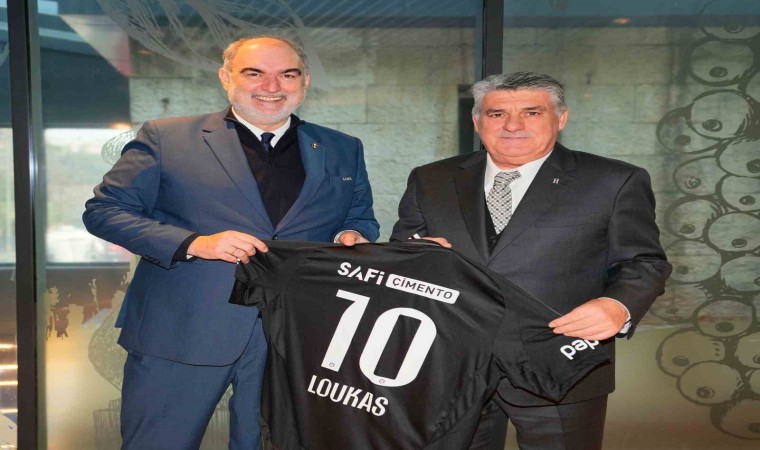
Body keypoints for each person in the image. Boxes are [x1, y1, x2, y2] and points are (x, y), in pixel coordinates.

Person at [83, 36, 379, 450]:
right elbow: (104, 212)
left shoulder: (342, 148)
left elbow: (358, 218)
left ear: (305, 81)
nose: (272, 86)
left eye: (287, 74)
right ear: (226, 78)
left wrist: (352, 237)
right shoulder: (167, 138)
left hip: (294, 337)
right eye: (254, 73)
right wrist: (194, 243)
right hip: (183, 331)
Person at [391, 71, 671, 450]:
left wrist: (617, 305)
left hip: (560, 364)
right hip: (450, 366)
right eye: (497, 114)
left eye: (531, 112)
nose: (512, 125)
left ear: (561, 118)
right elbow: (403, 254)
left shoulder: (614, 180)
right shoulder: (431, 179)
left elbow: (644, 262)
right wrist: (413, 256)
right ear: (477, 121)